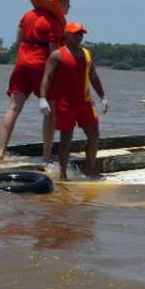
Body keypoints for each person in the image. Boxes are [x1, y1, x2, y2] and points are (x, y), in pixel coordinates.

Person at [0, 0, 71, 162]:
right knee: (50, 111)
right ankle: (47, 155)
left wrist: (22, 60)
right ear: (58, 2)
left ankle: (0, 153)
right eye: (67, 4)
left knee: (13, 107)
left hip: (21, 65)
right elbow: (54, 55)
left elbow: (18, 43)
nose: (69, 8)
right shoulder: (54, 23)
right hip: (41, 69)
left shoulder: (27, 15)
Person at [39, 21, 108, 181]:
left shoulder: (87, 54)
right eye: (75, 33)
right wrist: (43, 99)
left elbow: (93, 77)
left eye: (81, 33)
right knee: (66, 138)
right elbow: (47, 77)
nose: (79, 36)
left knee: (94, 135)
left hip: (85, 102)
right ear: (66, 34)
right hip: (65, 104)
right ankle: (62, 175)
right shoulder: (57, 54)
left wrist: (103, 96)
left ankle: (90, 170)